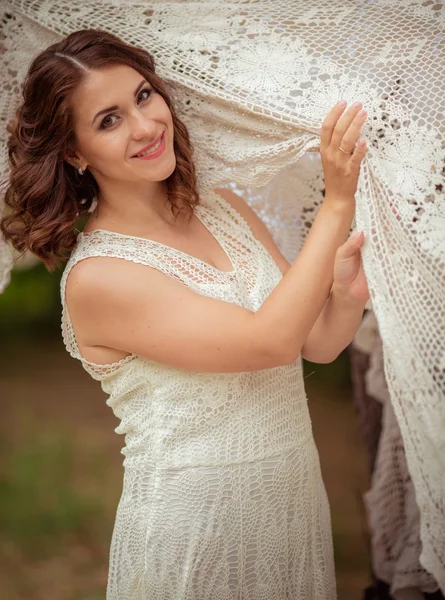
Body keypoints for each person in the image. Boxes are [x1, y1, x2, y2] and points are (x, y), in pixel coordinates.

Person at [1, 29, 370, 600]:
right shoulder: (99, 277)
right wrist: (337, 202)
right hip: (198, 527)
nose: (146, 126)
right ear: (74, 153)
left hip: (292, 498)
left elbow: (311, 343)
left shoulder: (223, 207)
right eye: (109, 120)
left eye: (144, 96)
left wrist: (343, 297)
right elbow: (268, 340)